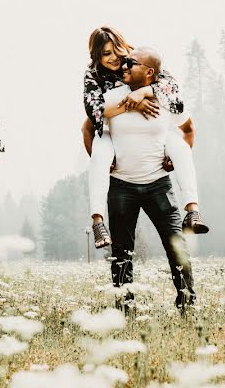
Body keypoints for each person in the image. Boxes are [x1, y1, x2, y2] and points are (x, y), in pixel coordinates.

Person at [80, 26, 208, 250]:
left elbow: (172, 91)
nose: (114, 58)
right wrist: (132, 104)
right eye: (105, 54)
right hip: (115, 135)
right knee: (100, 153)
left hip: (154, 138)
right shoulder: (94, 74)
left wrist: (145, 92)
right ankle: (98, 222)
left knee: (179, 148)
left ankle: (193, 210)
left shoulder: (138, 58)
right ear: (97, 57)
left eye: (116, 50)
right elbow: (93, 113)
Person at [101, 46, 196, 310]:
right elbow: (89, 125)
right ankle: (124, 308)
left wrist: (174, 161)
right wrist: (101, 161)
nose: (124, 66)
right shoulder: (113, 95)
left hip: (158, 185)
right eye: (125, 62)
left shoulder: (167, 98)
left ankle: (187, 302)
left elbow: (189, 130)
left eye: (132, 63)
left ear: (150, 72)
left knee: (176, 244)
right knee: (121, 252)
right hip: (121, 186)